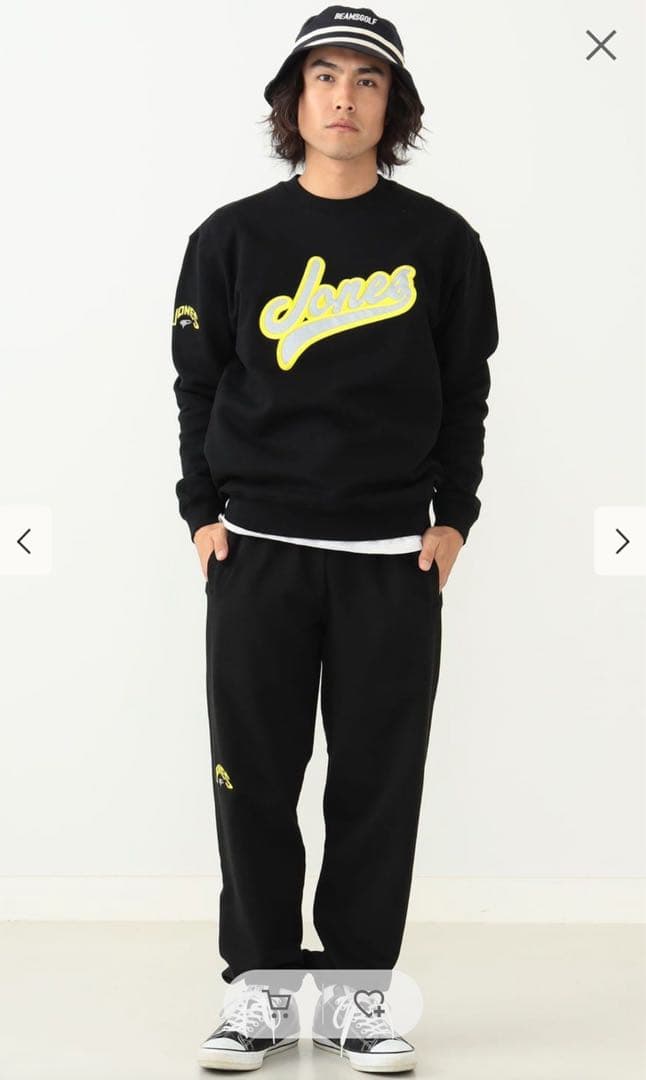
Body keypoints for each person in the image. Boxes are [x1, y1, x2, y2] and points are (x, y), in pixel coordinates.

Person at [171, 5, 499, 1072]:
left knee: (376, 785)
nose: (344, 97)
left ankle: (360, 996)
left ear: (393, 106)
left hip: (389, 561)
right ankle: (259, 992)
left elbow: (464, 391)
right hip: (255, 551)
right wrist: (201, 512)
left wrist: (453, 518)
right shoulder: (231, 238)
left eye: (367, 80)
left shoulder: (441, 243)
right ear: (293, 101)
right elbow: (196, 384)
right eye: (324, 77)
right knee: (254, 780)